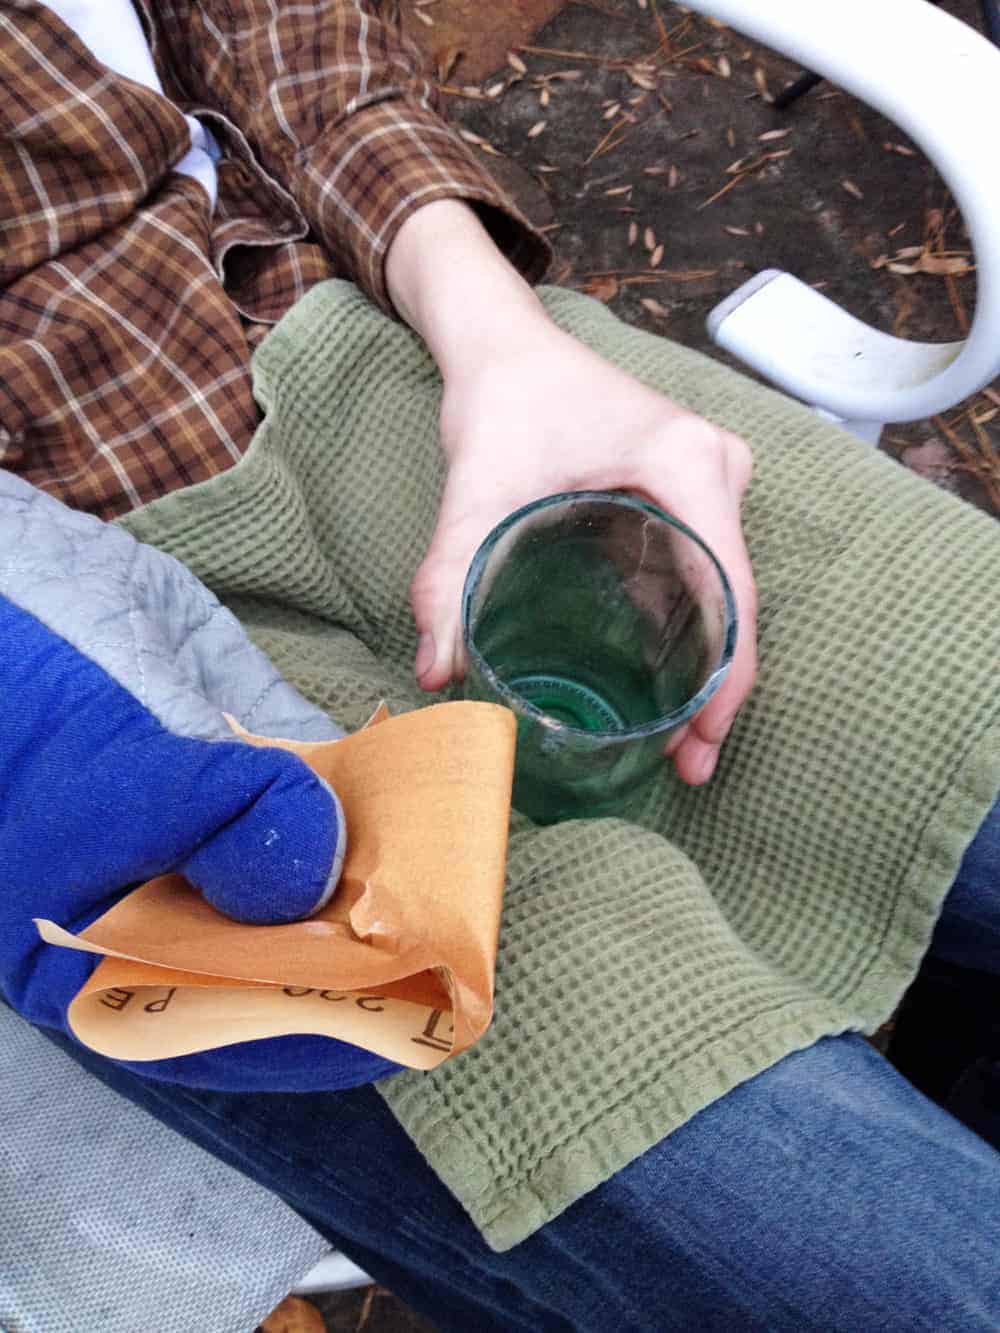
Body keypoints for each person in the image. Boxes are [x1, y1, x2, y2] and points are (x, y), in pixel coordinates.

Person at [1, 3, 998, 1328]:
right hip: (65, 627)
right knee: (876, 1257)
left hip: (355, 334)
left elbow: (289, 36)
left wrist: (496, 333)